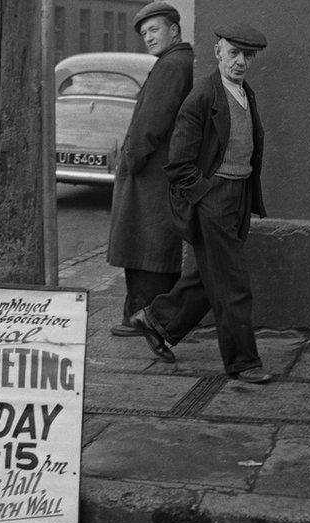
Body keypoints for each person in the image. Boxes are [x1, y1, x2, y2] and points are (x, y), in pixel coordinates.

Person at [129, 24, 272, 384]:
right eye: (233, 53)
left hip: (239, 196)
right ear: (218, 53)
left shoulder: (244, 92)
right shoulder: (202, 97)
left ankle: (156, 320)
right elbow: (178, 164)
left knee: (211, 277)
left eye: (247, 55)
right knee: (233, 283)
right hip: (214, 198)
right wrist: (206, 197)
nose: (240, 62)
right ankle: (243, 362)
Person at [106, 1, 193, 345]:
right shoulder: (179, 62)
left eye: (154, 29)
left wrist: (129, 160)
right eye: (144, 33)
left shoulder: (171, 65)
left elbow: (149, 123)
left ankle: (141, 316)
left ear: (174, 29)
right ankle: (147, 315)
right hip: (161, 173)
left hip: (150, 174)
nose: (148, 37)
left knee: (145, 243)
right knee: (153, 243)